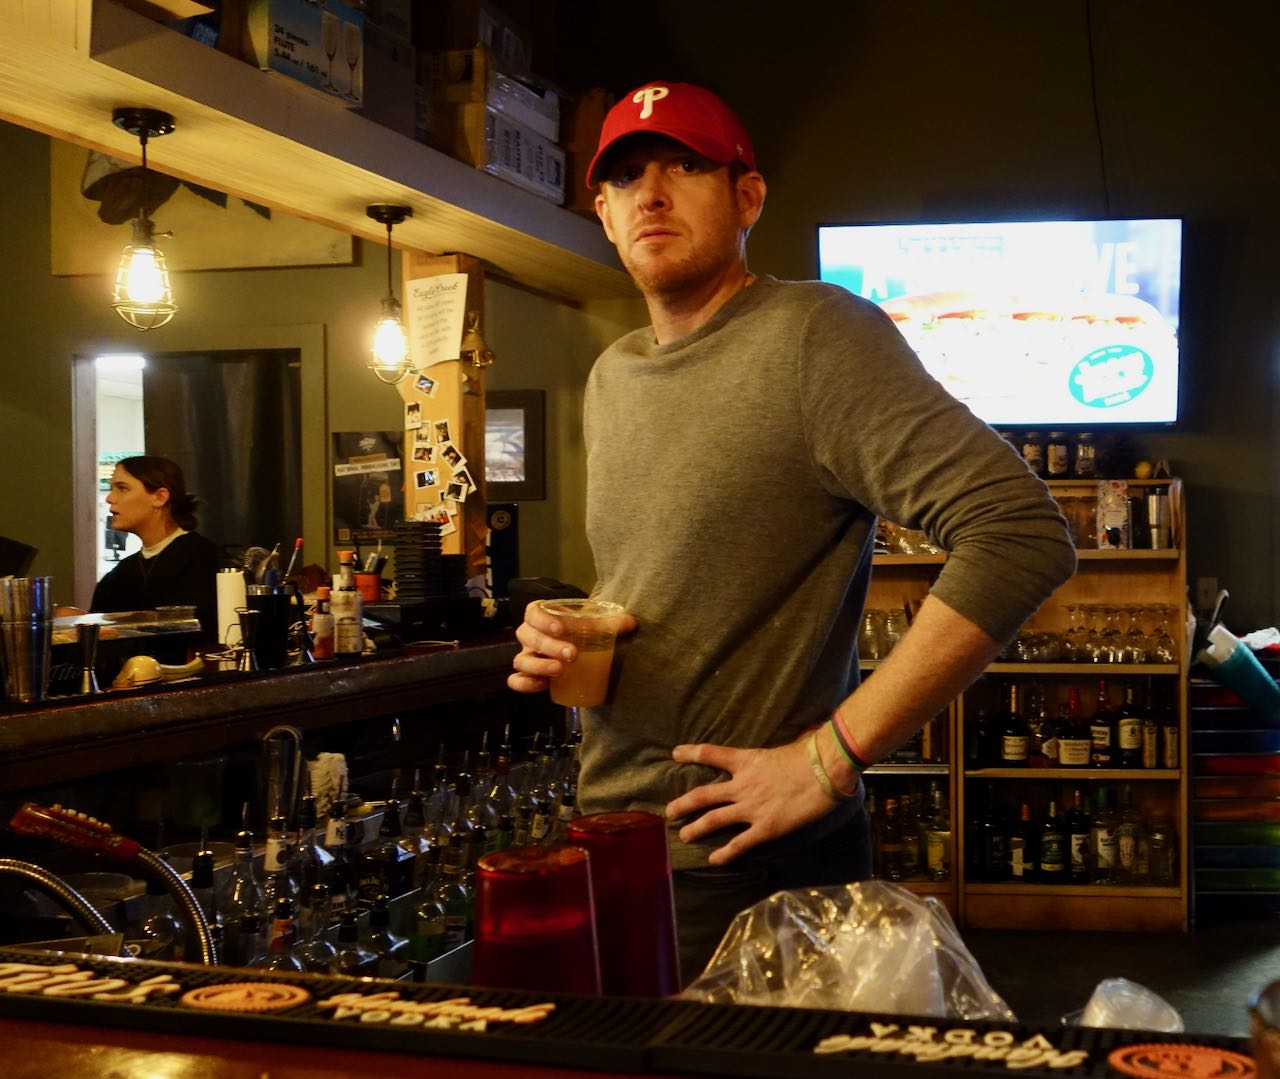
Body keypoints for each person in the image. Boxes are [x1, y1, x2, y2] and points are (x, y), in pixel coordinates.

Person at [508, 82, 1076, 979]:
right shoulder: (613, 374)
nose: (649, 193)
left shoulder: (815, 335)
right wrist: (569, 632)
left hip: (747, 860)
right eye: (623, 177)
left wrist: (831, 756)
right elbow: (661, 579)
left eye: (684, 165)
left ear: (748, 197)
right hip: (613, 836)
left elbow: (1020, 530)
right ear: (605, 217)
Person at [91, 455, 221, 640]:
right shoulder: (118, 576)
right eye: (112, 489)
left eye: (122, 488)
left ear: (160, 497)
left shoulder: (204, 559)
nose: (110, 498)